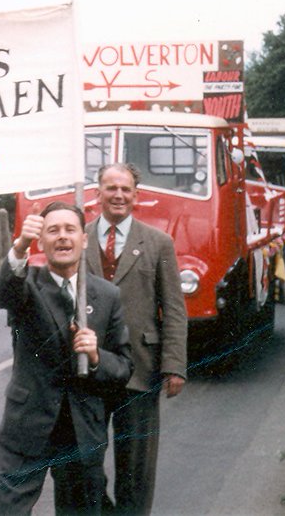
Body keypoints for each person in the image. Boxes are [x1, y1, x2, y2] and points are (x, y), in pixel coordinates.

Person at [0, 202, 132, 515]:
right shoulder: (27, 284)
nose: (62, 237)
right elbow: (5, 292)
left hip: (81, 429)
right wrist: (20, 245)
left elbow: (124, 366)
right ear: (41, 241)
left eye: (70, 229)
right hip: (28, 424)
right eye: (52, 230)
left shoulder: (107, 294)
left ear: (84, 239)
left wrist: (96, 356)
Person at [84, 164, 187, 516]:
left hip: (140, 368)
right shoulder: (79, 237)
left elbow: (174, 309)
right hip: (90, 370)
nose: (118, 195)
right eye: (111, 188)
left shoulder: (158, 243)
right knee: (84, 464)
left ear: (136, 196)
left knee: (136, 470)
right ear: (97, 193)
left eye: (125, 189)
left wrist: (174, 366)